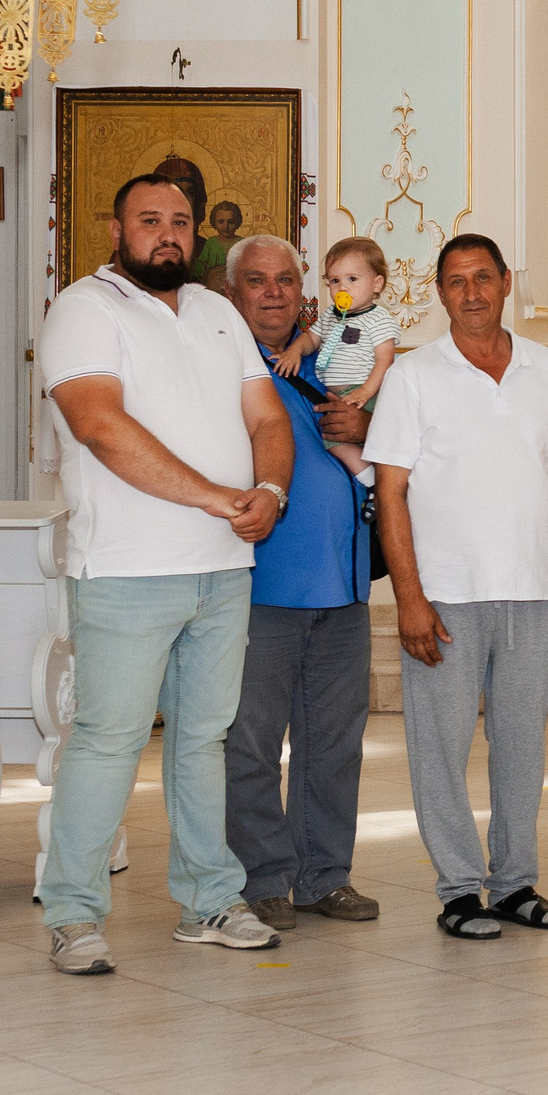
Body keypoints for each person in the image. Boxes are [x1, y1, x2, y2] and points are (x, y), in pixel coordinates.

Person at [34, 172, 294, 975]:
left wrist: (272, 491)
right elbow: (100, 426)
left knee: (204, 740)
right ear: (116, 229)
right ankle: (74, 914)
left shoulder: (219, 313)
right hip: (126, 566)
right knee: (109, 739)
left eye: (181, 222)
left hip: (222, 568)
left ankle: (209, 899)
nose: (168, 234)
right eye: (150, 220)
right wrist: (223, 496)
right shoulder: (84, 308)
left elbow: (266, 417)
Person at [363, 235, 548, 940]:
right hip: (446, 596)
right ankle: (459, 888)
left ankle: (515, 882)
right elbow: (390, 494)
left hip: (531, 591)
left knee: (522, 748)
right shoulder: (414, 377)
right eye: (456, 282)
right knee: (441, 748)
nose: (472, 292)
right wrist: (410, 598)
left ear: (507, 281)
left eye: (483, 277)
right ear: (439, 292)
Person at [220, 234, 381, 930]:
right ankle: (261, 877)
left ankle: (323, 874)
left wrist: (365, 423)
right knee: (253, 741)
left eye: (286, 279)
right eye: (257, 281)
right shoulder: (219, 368)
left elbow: (394, 448)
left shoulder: (337, 357)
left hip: (343, 592)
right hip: (261, 590)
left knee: (335, 744)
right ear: (233, 295)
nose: (274, 291)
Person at [273, 235, 400, 477]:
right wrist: (294, 351)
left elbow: (385, 361)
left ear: (376, 284)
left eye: (352, 279)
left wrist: (365, 392)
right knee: (333, 439)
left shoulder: (378, 319)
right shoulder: (330, 315)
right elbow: (311, 339)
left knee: (344, 439)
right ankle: (370, 477)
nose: (342, 287)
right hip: (339, 395)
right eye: (334, 280)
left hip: (365, 391)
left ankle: (371, 480)